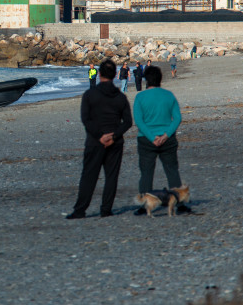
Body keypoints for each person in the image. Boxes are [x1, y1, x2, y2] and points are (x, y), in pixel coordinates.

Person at [67, 59, 133, 219]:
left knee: (89, 174)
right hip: (115, 141)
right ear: (113, 76)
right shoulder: (120, 97)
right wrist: (114, 135)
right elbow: (128, 122)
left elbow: (86, 119)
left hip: (95, 141)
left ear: (100, 74)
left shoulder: (90, 94)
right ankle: (106, 209)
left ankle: (80, 210)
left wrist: (100, 136)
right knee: (111, 176)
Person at [132, 66, 189, 215]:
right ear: (160, 79)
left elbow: (139, 120)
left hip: (146, 139)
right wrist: (165, 135)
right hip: (167, 139)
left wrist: (152, 137)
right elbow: (177, 118)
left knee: (146, 173)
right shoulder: (169, 95)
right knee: (172, 171)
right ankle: (180, 202)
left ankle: (145, 203)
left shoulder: (140, 97)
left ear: (146, 80)